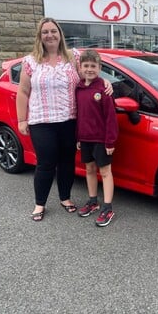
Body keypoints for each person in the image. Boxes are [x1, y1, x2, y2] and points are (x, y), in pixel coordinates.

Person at [16, 17, 112, 222]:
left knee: (67, 161)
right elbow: (23, 91)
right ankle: (39, 203)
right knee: (46, 163)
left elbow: (90, 75)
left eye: (53, 31)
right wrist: (21, 120)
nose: (50, 35)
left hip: (69, 119)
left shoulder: (73, 57)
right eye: (45, 32)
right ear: (39, 36)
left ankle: (65, 198)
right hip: (41, 121)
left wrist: (106, 83)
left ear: (60, 34)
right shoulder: (30, 61)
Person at [76, 50, 119, 227]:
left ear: (100, 68)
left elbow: (111, 118)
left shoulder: (104, 89)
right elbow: (79, 115)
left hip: (101, 140)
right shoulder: (78, 88)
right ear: (80, 67)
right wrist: (78, 137)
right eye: (86, 66)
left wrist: (110, 141)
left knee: (106, 172)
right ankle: (93, 201)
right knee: (89, 170)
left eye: (93, 66)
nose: (89, 69)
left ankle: (108, 207)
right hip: (85, 139)